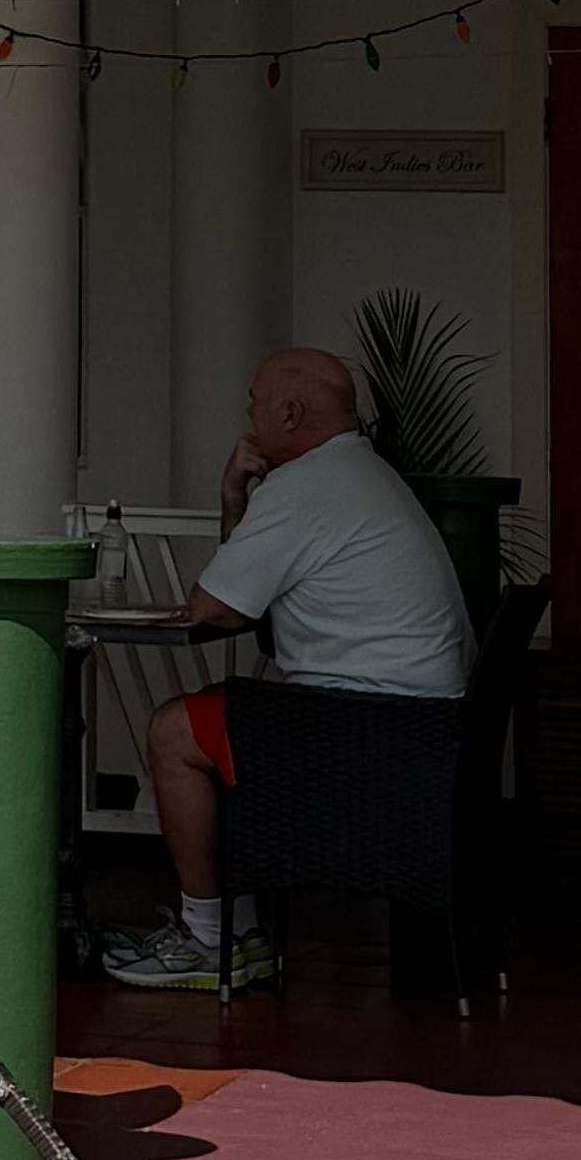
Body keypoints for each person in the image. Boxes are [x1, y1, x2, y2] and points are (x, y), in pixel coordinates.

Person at [103, 344, 470, 993]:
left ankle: (208, 938)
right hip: (420, 732)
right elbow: (242, 598)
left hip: (366, 734)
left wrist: (238, 497)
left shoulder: (305, 486)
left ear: (291, 414)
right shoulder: (363, 474)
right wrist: (234, 498)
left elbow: (213, 608)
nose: (247, 416)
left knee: (174, 731)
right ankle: (237, 930)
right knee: (217, 722)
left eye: (254, 404)